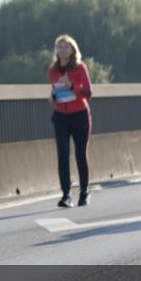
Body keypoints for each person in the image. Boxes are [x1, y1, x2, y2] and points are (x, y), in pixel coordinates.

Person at [48, 34, 93, 208]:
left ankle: (84, 192)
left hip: (79, 114)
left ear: (73, 50)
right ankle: (66, 195)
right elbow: (55, 90)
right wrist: (53, 96)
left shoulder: (80, 68)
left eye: (65, 47)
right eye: (59, 47)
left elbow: (88, 93)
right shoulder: (52, 70)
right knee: (63, 154)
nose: (62, 50)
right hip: (60, 116)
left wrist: (72, 86)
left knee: (80, 154)